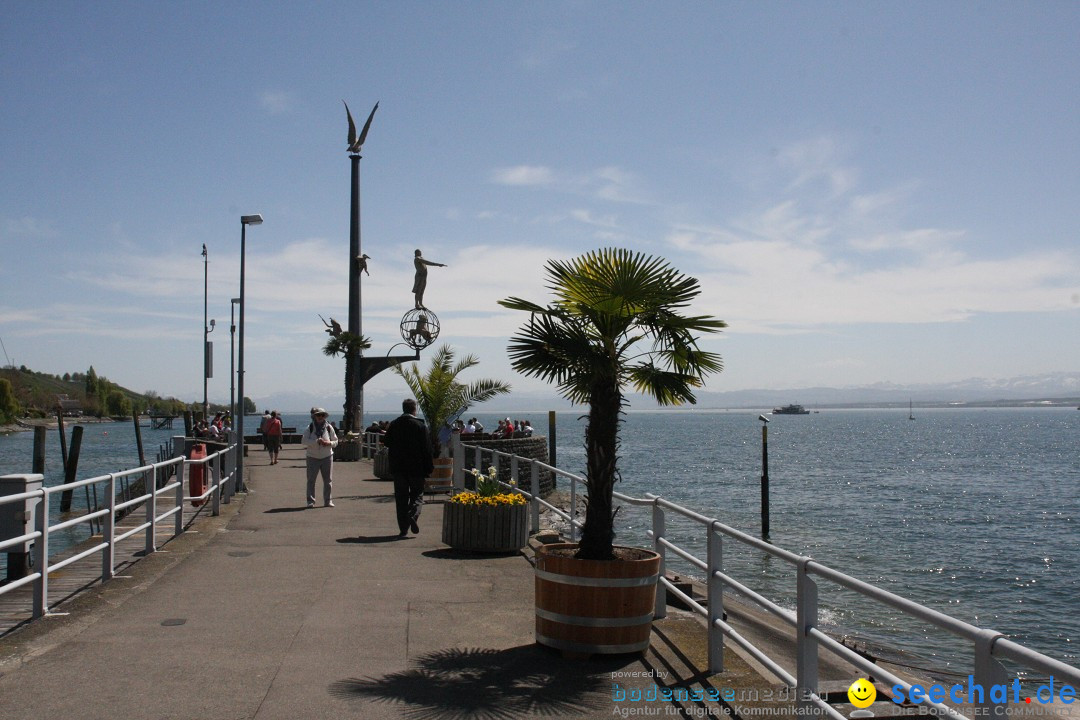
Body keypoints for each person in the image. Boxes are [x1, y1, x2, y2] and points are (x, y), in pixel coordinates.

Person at [382, 398, 434, 537]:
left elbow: (386, 442)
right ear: (414, 409)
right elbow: (427, 449)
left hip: (398, 468)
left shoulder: (394, 424)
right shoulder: (420, 426)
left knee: (401, 498)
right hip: (416, 468)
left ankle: (403, 529)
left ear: (403, 408)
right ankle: (413, 514)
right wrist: (429, 468)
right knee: (417, 494)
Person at [303, 408, 339, 508]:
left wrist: (329, 443)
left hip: (327, 456)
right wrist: (315, 442)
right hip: (312, 457)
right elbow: (304, 441)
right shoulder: (309, 427)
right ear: (315, 416)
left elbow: (336, 441)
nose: (320, 417)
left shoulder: (329, 427)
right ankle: (310, 501)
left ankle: (328, 501)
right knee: (311, 480)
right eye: (318, 415)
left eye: (322, 415)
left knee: (328, 480)